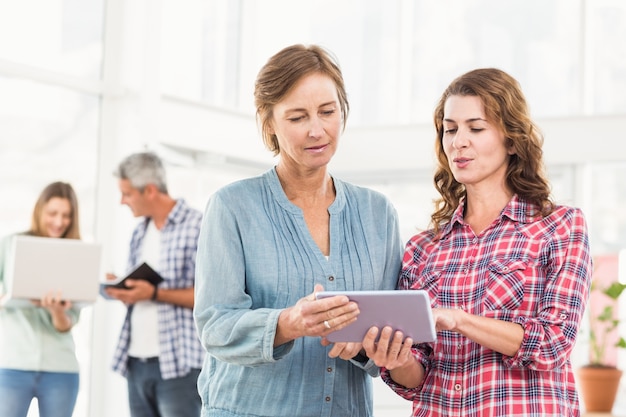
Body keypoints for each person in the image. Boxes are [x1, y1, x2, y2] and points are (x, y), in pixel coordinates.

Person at [362, 68, 593, 416]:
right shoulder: (422, 249)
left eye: (476, 127)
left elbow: (552, 343)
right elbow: (416, 379)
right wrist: (396, 358)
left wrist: (459, 320)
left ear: (512, 140)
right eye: (450, 129)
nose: (458, 141)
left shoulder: (559, 227)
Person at [193, 43, 403, 417]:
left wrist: (369, 345)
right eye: (297, 117)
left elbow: (387, 337)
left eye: (328, 112)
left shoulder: (378, 213)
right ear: (269, 121)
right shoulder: (231, 207)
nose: (316, 130)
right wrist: (288, 323)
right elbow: (215, 325)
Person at [104, 151, 204, 417]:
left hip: (178, 364)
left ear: (149, 190)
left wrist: (155, 293)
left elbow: (210, 297)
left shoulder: (198, 226)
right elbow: (140, 291)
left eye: (126, 194)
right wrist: (124, 288)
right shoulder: (139, 231)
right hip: (136, 361)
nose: (122, 201)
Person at [0, 181, 84, 417]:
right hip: (13, 365)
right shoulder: (10, 244)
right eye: (53, 213)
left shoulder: (76, 254)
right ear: (40, 211)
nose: (59, 222)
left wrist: (56, 311)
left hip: (61, 368)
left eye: (66, 215)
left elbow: (66, 325)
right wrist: (11, 297)